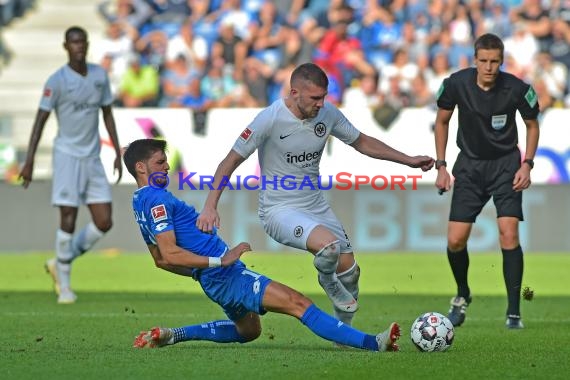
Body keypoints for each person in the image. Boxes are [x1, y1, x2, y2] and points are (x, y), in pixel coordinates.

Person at [196, 62, 434, 328]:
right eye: (315, 98)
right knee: (329, 247)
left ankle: (345, 333)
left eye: (324, 97)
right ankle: (326, 280)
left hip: (315, 204)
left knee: (351, 273)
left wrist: (408, 160)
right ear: (294, 92)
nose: (321, 104)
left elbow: (362, 141)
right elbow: (229, 162)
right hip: (278, 209)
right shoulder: (269, 119)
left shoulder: (327, 114)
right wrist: (209, 206)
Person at [123, 138, 401, 351]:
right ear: (141, 167)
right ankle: (374, 343)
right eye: (160, 162)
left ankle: (175, 335)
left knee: (249, 332)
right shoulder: (157, 200)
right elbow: (170, 253)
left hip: (214, 279)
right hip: (225, 274)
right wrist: (220, 262)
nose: (167, 167)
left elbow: (160, 261)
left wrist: (200, 272)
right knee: (298, 303)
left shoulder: (140, 201)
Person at [433, 33, 540, 329]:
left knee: (509, 234)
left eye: (494, 61)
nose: (489, 67)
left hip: (506, 165)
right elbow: (441, 121)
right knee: (455, 240)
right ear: (475, 60)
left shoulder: (517, 89)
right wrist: (441, 166)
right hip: (469, 165)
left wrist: (527, 164)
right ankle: (463, 295)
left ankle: (514, 312)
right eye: (484, 61)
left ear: (501, 61)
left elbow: (532, 126)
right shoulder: (456, 83)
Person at [18, 26, 123, 304]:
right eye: (73, 42)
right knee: (68, 218)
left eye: (82, 42)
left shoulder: (99, 76)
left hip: (93, 157)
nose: (79, 46)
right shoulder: (58, 80)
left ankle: (59, 261)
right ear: (66, 46)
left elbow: (108, 114)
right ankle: (64, 285)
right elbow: (40, 120)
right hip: (66, 156)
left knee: (104, 221)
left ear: (87, 45)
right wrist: (28, 161)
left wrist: (116, 149)